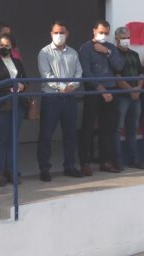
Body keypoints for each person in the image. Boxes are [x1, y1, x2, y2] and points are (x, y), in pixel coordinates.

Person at [36, 21, 84, 181]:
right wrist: (62, 86)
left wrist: (72, 86)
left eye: (62, 32)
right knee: (46, 135)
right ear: (51, 34)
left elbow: (79, 72)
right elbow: (46, 74)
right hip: (51, 98)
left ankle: (69, 166)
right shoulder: (44, 52)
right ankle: (44, 168)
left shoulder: (73, 53)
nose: (59, 35)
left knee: (70, 134)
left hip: (70, 98)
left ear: (67, 33)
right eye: (56, 32)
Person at [78, 20, 125, 174]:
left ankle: (105, 161)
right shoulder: (85, 48)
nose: (103, 35)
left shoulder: (111, 48)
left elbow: (119, 66)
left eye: (106, 33)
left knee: (108, 128)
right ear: (94, 31)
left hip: (111, 92)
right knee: (88, 127)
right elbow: (86, 73)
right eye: (101, 32)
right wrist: (101, 90)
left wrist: (107, 52)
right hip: (94, 92)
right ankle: (85, 162)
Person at [0, 34, 28, 186]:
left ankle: (12, 170)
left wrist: (22, 85)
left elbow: (25, 78)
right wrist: (11, 86)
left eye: (7, 45)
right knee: (2, 139)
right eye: (1, 45)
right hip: (0, 106)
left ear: (13, 47)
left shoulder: (17, 61)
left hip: (17, 104)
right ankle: (1, 171)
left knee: (13, 139)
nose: (4, 48)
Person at [114, 26, 144, 169]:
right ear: (116, 39)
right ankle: (117, 161)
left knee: (133, 129)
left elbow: (141, 73)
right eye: (123, 37)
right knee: (118, 129)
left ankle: (134, 160)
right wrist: (130, 89)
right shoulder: (114, 55)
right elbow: (117, 76)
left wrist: (138, 88)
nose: (126, 40)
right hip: (122, 98)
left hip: (135, 97)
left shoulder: (135, 55)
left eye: (127, 37)